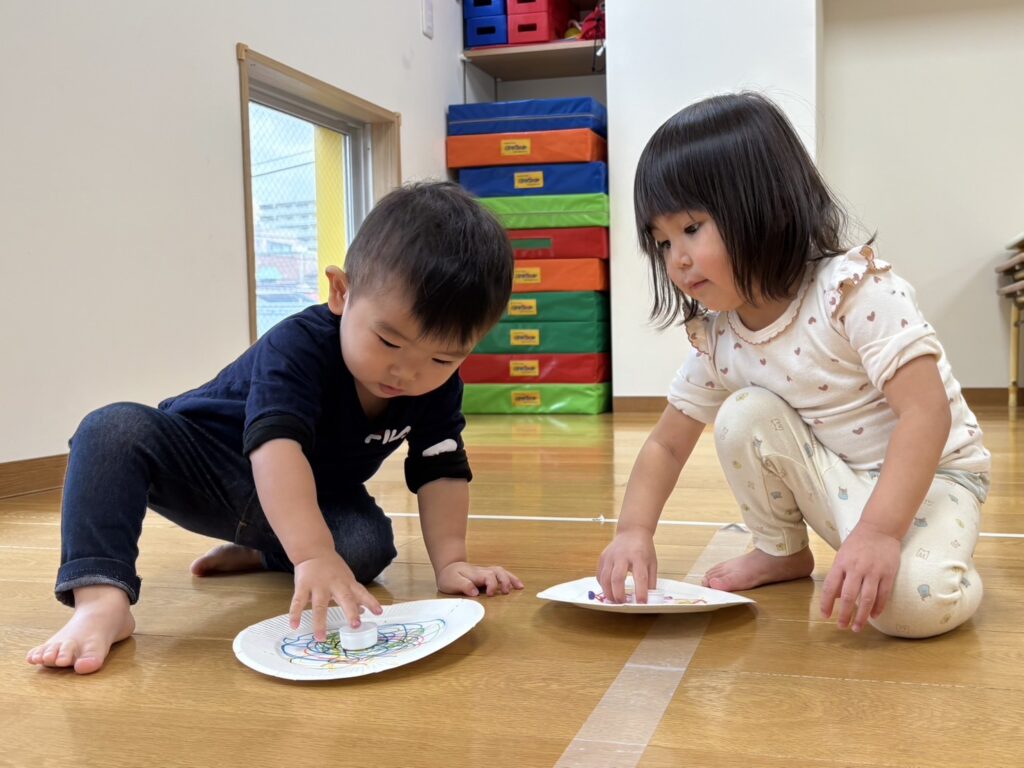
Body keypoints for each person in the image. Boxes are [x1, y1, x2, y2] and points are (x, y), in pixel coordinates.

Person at [27, 181, 523, 674]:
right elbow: (276, 445)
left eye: (440, 357)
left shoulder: (437, 386)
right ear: (341, 292)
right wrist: (311, 554)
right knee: (111, 430)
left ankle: (265, 550)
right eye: (389, 342)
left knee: (368, 545)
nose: (407, 373)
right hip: (211, 465)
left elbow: (441, 468)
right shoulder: (299, 345)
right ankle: (102, 600)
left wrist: (451, 562)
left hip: (304, 496)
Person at [597, 92, 990, 639]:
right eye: (661, 242)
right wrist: (633, 531)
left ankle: (948, 568)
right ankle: (781, 551)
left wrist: (877, 533)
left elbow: (926, 415)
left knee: (907, 606)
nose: (677, 259)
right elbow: (666, 443)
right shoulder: (720, 337)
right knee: (743, 413)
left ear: (767, 209)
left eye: (690, 229)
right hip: (844, 481)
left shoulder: (853, 292)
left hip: (934, 477)